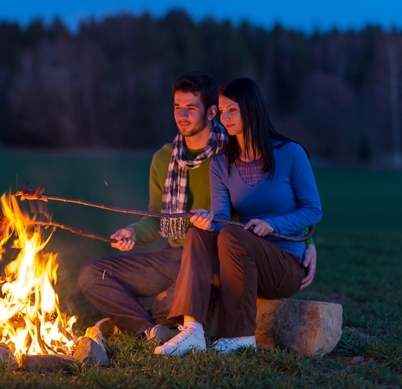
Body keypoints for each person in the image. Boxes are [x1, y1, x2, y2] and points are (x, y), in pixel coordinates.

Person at [79, 71, 318, 342]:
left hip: (218, 256)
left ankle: (143, 323)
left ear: (210, 112)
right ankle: (151, 328)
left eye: (191, 108)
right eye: (177, 108)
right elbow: (157, 218)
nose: (182, 115)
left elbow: (279, 204)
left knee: (183, 294)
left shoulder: (233, 150)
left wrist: (308, 243)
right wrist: (133, 233)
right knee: (92, 274)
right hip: (174, 253)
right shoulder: (164, 158)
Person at [155, 77, 323, 356]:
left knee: (234, 234)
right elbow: (222, 219)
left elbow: (313, 210)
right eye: (222, 111)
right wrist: (209, 220)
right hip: (239, 264)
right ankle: (192, 330)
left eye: (232, 110)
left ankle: (240, 336)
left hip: (283, 266)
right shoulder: (221, 163)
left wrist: (272, 224)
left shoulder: (291, 153)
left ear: (251, 109)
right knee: (198, 233)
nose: (225, 117)